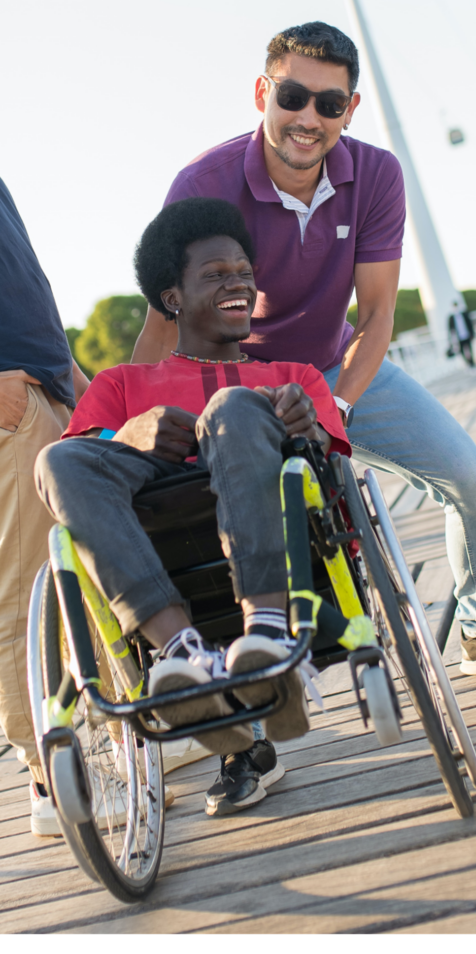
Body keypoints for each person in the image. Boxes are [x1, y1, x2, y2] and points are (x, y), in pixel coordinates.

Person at [130, 24, 476, 698]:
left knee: (474, 479)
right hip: (238, 391)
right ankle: (237, 714)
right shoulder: (203, 184)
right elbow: (165, 321)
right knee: (200, 527)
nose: (308, 119)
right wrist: (136, 426)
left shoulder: (376, 174)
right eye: (293, 96)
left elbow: (380, 312)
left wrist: (339, 405)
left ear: (350, 110)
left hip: (336, 367)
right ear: (261, 93)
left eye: (330, 105)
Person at [35, 198, 351, 815]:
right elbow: (79, 465)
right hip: (164, 561)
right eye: (215, 273)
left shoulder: (294, 376)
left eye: (243, 271)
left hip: (288, 563)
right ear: (172, 297)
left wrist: (303, 426)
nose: (238, 281)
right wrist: (129, 433)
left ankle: (265, 638)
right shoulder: (121, 387)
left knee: (234, 409)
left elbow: (331, 462)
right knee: (57, 459)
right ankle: (184, 655)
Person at [0, 177, 93, 836]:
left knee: (86, 573)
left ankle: (115, 743)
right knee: (22, 595)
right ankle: (47, 773)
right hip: (10, 402)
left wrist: (69, 373)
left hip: (46, 384)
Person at [447, 299, 476, 368]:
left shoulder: (464, 314)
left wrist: (472, 334)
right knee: (462, 352)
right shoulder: (451, 317)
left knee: (470, 350)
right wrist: (450, 341)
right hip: (458, 338)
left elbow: (470, 324)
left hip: (466, 335)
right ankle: (468, 364)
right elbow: (450, 330)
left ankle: (472, 364)